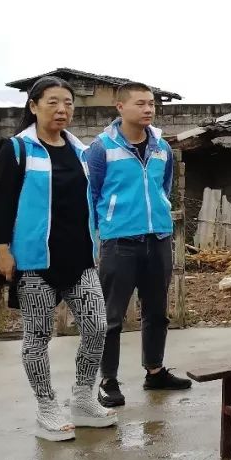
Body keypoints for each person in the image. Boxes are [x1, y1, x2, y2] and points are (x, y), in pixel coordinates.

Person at [0, 77, 117, 440]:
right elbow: (0, 202)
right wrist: (1, 249)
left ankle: (82, 398)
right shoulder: (17, 149)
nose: (62, 110)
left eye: (68, 104)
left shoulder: (79, 150)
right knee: (38, 335)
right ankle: (46, 406)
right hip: (34, 261)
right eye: (53, 103)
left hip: (78, 257)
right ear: (33, 106)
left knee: (96, 328)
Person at [87, 82, 190, 407]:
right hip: (119, 242)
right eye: (141, 103)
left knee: (157, 312)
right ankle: (108, 380)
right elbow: (91, 196)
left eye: (151, 104)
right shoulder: (101, 148)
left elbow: (164, 186)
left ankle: (155, 371)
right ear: (120, 107)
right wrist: (94, 243)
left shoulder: (161, 147)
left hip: (157, 238)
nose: (148, 109)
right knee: (112, 317)